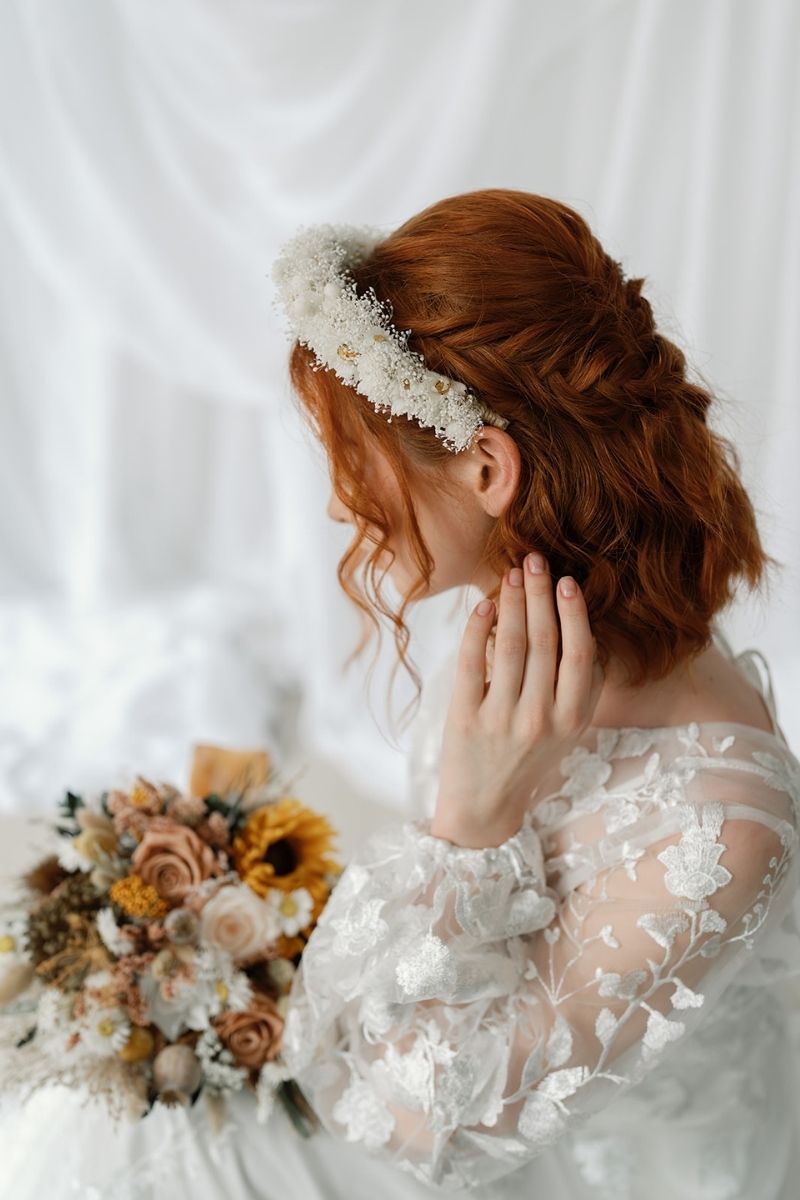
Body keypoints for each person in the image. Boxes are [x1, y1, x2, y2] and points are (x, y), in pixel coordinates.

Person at [1, 188, 799, 1200]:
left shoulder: (716, 823)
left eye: (356, 460)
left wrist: (471, 823)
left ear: (486, 466)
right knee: (95, 1114)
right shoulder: (530, 626)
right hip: (427, 1060)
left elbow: (425, 1131)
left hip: (559, 1165)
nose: (341, 500)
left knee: (137, 1149)